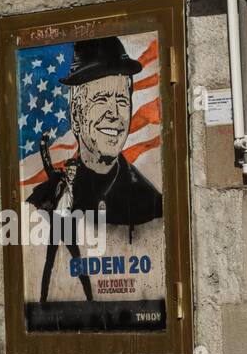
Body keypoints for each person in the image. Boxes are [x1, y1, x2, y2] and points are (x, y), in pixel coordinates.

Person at [26, 36, 164, 302]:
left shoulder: (150, 203)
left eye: (122, 101)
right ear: (76, 115)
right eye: (101, 99)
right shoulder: (47, 194)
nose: (114, 113)